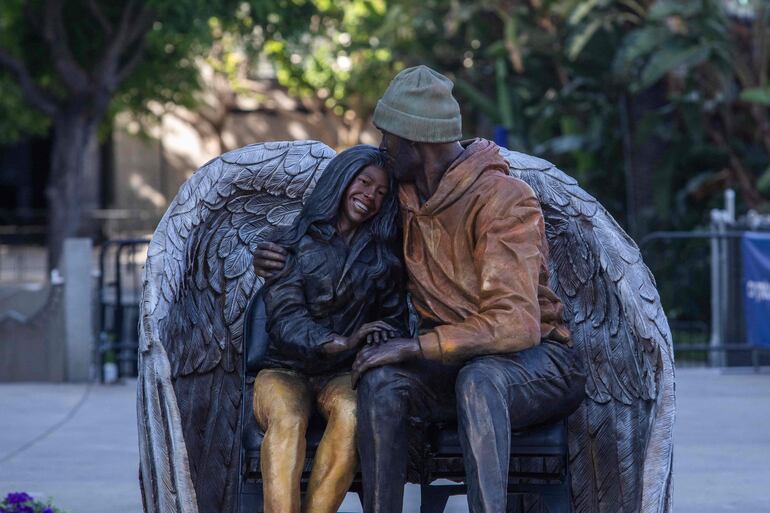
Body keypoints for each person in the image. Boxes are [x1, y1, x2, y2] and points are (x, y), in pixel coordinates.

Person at [254, 66, 586, 513]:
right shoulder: (401, 197)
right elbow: (333, 229)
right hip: (449, 361)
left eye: (388, 139)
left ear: (415, 142)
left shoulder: (505, 199)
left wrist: (415, 345)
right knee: (382, 381)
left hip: (537, 362)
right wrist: (277, 254)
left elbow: (515, 324)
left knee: (481, 378)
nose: (382, 150)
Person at [252, 144, 406, 513]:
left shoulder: (383, 258)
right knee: (288, 417)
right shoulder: (290, 242)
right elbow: (286, 319)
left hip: (343, 375)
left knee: (356, 412)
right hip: (282, 370)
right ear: (342, 179)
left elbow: (395, 319)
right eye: (365, 182)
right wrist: (338, 340)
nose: (370, 196)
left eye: (381, 193)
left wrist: (382, 335)